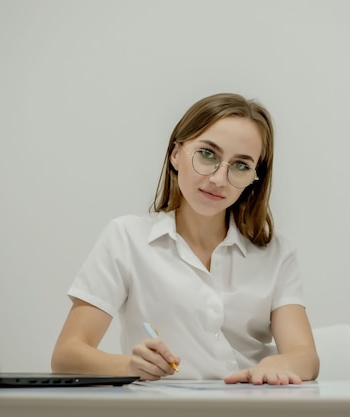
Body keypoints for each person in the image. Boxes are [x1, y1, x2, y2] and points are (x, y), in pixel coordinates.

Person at [51, 92, 319, 385]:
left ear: (254, 178)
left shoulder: (276, 254)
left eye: (241, 165)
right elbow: (67, 355)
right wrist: (130, 365)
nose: (219, 179)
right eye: (207, 154)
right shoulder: (126, 238)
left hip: (251, 408)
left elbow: (305, 356)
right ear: (176, 154)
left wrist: (277, 363)